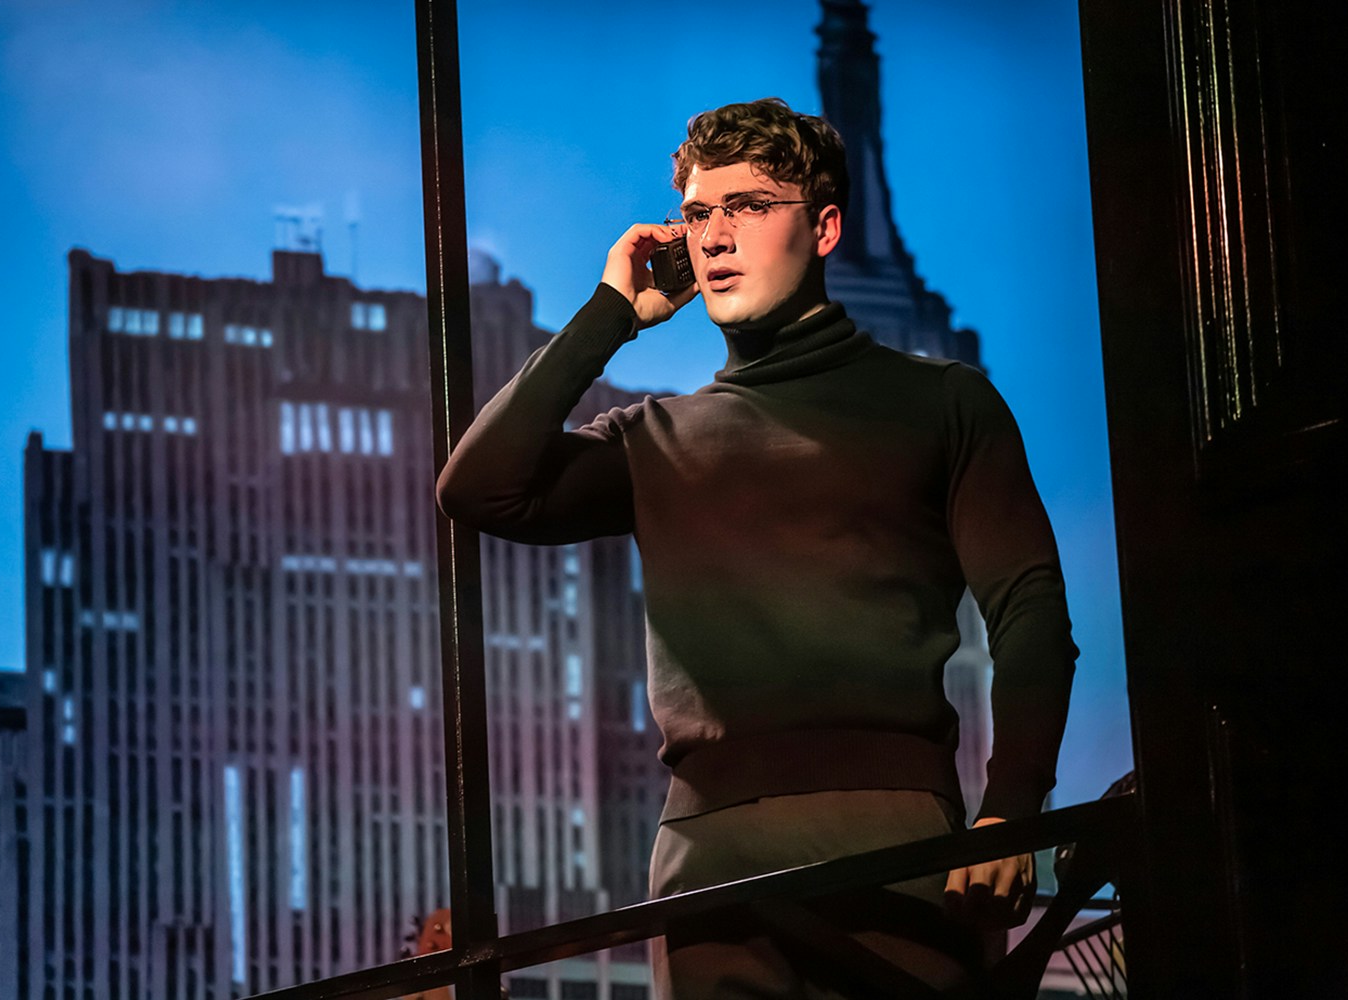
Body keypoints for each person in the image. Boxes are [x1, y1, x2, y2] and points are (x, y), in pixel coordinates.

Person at [436, 97, 1077, 998]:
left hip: (897, 842)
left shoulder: (944, 404)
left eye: (749, 206)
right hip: (710, 859)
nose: (717, 235)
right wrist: (611, 312)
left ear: (824, 227)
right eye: (700, 213)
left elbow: (1031, 614)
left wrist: (1011, 808)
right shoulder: (654, 437)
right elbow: (478, 488)